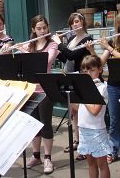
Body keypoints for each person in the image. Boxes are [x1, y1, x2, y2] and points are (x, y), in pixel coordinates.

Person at [18, 15, 58, 174]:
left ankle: (48, 158)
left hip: (45, 90)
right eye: (39, 28)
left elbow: (46, 61)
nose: (42, 31)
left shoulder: (52, 44)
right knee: (33, 125)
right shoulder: (30, 45)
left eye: (44, 27)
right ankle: (36, 156)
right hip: (30, 90)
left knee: (46, 124)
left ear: (47, 27)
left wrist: (25, 52)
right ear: (33, 30)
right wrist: (20, 50)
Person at [52, 12, 93, 161]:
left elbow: (71, 55)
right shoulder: (72, 39)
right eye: (72, 23)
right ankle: (77, 140)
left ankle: (84, 146)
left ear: (83, 22)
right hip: (70, 77)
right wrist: (55, 50)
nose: (75, 25)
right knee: (74, 113)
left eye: (77, 21)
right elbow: (65, 58)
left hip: (80, 77)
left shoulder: (87, 39)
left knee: (82, 114)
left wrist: (59, 43)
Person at [86, 13, 120, 164]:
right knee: (114, 120)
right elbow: (99, 63)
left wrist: (108, 47)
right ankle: (113, 149)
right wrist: (92, 50)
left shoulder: (111, 46)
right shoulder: (113, 41)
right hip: (113, 86)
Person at [78, 54, 112, 178]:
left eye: (92, 70)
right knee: (91, 163)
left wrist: (83, 95)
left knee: (101, 164)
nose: (88, 74)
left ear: (99, 70)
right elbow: (77, 109)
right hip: (83, 128)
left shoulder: (102, 88)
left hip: (96, 130)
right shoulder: (85, 87)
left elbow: (95, 111)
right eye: (85, 71)